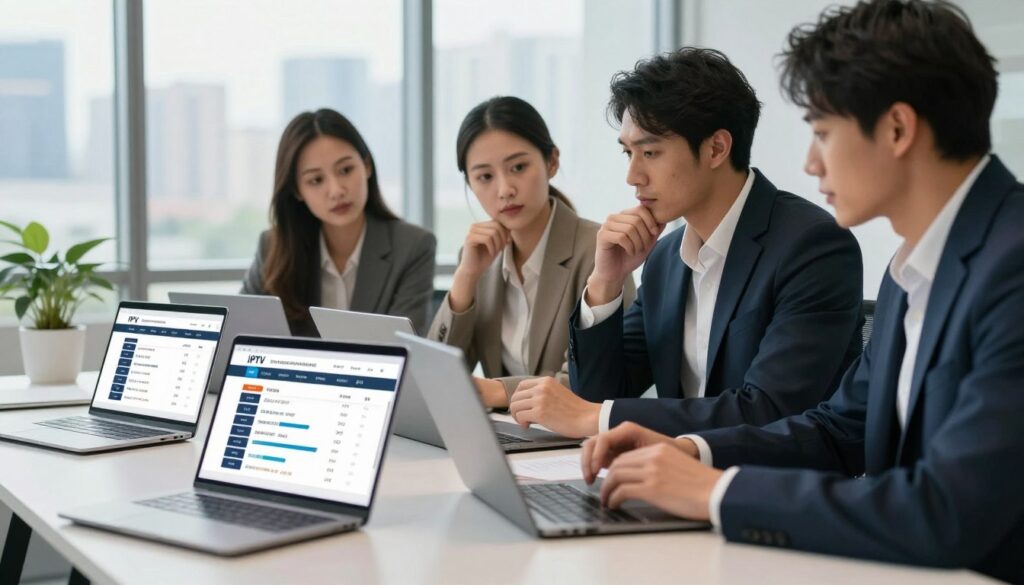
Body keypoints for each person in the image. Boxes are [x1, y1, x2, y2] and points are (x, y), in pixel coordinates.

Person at [584, 2, 1023, 581]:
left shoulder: (1012, 265)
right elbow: (840, 431)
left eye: (822, 133)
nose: (811, 163)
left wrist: (716, 493)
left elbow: (947, 510)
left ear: (896, 128)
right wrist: (693, 452)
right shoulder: (908, 269)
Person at [508, 48, 863, 438]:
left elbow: (770, 410)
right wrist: (605, 282)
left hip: (770, 487)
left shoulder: (812, 246)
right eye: (628, 153)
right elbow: (599, 394)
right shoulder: (665, 258)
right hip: (672, 478)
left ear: (716, 148)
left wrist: (598, 419)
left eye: (650, 152)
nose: (632, 175)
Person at [428, 96, 635, 409]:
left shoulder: (599, 251)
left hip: (572, 439)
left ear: (551, 162)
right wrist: (465, 278)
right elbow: (435, 376)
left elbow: (599, 380)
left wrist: (500, 391)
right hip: (505, 433)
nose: (504, 189)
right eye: (485, 176)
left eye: (518, 167)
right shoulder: (477, 258)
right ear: (470, 184)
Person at [242, 108, 436, 336]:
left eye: (345, 170)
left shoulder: (413, 246)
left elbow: (405, 349)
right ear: (297, 190)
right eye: (316, 180)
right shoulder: (272, 247)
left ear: (366, 166)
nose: (336, 190)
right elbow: (241, 332)